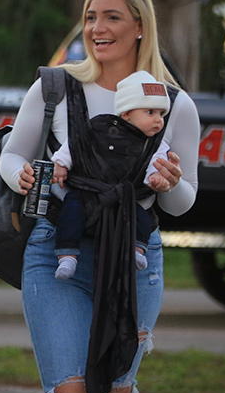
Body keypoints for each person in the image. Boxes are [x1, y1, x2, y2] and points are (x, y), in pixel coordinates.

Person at [0, 0, 200, 393]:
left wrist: (171, 183)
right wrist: (22, 176)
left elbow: (182, 201)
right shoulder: (55, 87)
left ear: (140, 26)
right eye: (91, 17)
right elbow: (12, 154)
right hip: (57, 253)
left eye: (111, 16)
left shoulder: (174, 104)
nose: (97, 28)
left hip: (135, 259)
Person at [50, 70, 171, 280]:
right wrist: (60, 164)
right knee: (70, 212)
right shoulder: (100, 127)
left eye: (161, 114)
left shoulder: (155, 144)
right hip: (87, 192)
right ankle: (67, 256)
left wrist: (156, 178)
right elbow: (76, 143)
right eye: (150, 112)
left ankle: (137, 250)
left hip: (124, 199)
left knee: (142, 218)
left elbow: (156, 163)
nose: (158, 120)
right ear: (126, 114)